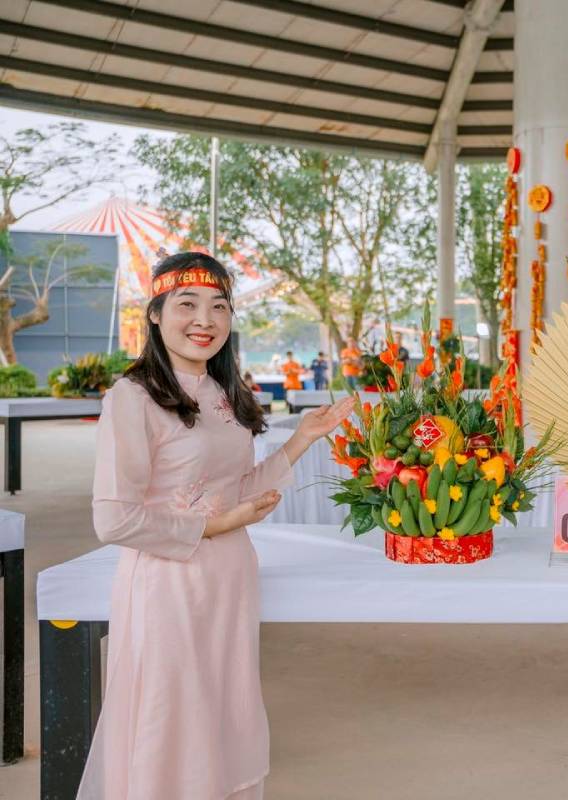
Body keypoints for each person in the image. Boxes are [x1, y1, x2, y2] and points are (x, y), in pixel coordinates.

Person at [79, 252, 354, 799]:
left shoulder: (223, 393)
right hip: (170, 584)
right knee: (175, 721)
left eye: (219, 306)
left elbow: (236, 492)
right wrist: (214, 526)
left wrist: (303, 439)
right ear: (155, 313)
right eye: (187, 305)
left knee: (225, 716)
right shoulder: (132, 397)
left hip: (230, 579)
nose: (205, 320)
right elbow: (114, 519)